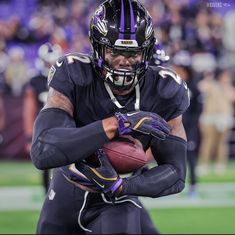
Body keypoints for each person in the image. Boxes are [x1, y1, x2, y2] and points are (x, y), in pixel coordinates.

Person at [30, 0, 189, 234]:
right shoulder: (75, 74)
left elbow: (176, 174)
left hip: (118, 201)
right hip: (66, 192)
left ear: (146, 52)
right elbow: (43, 151)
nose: (124, 61)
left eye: (132, 52)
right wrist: (118, 123)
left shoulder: (165, 89)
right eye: (115, 51)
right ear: (98, 48)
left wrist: (121, 186)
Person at [23, 43, 62, 193]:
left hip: (64, 125)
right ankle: (48, 193)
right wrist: (29, 136)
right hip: (44, 128)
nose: (50, 65)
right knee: (46, 163)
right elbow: (29, 110)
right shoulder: (36, 81)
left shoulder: (65, 77)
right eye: (47, 62)